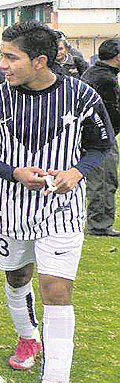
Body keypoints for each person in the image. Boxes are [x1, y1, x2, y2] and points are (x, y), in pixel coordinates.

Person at [0, 20, 114, 383]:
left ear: (40, 61)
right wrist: (14, 172)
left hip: (61, 208)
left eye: (11, 57)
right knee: (18, 276)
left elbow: (101, 146)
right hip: (9, 207)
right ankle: (27, 335)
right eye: (2, 55)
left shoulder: (82, 97)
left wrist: (76, 172)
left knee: (57, 289)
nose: (3, 65)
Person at [80, 39, 120, 237]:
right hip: (101, 138)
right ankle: (100, 224)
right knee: (104, 180)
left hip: (91, 135)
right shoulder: (107, 79)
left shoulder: (93, 72)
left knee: (99, 179)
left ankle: (99, 222)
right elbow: (113, 112)